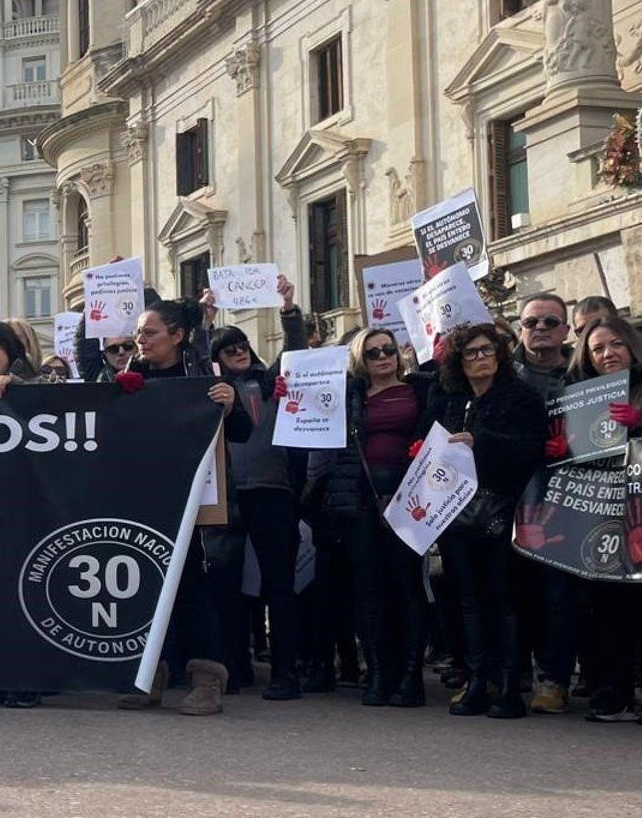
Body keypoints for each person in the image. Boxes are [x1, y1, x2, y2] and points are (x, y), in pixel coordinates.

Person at [122, 297, 247, 715]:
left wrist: (230, 403)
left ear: (177, 336)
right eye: (139, 332)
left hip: (194, 504)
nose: (140, 340)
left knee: (191, 585)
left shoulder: (206, 374)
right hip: (145, 498)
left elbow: (243, 431)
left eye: (149, 332)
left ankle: (207, 679)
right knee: (148, 585)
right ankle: (149, 675)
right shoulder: (128, 376)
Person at [565, 317, 642, 723]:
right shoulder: (580, 396)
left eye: (615, 344)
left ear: (633, 345)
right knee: (607, 607)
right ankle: (613, 690)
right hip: (601, 511)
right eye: (597, 348)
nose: (607, 354)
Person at [307, 325, 434, 706]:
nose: (383, 357)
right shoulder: (349, 395)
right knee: (369, 588)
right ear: (361, 358)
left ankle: (411, 677)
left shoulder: (420, 389)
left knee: (407, 586)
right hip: (360, 499)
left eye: (388, 349)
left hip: (411, 498)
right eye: (374, 352)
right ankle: (379, 672)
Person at [424, 322, 547, 718]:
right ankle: (478, 681)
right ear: (458, 362)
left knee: (505, 599)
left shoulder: (521, 397)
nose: (480, 359)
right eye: (471, 353)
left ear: (500, 355)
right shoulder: (452, 401)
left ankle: (509, 686)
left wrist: (481, 442)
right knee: (469, 601)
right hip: (456, 514)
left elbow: (531, 449)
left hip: (503, 512)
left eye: (486, 350)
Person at [206, 275, 308, 701]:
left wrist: (288, 309)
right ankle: (236, 668)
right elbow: (193, 356)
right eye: (227, 347)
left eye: (242, 344)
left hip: (271, 490)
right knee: (226, 587)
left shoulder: (273, 383)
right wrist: (205, 320)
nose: (238, 351)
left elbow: (297, 354)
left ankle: (286, 673)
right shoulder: (209, 391)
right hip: (227, 497)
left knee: (278, 585)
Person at [508, 294, 577, 713]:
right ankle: (514, 674)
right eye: (531, 321)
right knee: (515, 593)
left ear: (566, 330)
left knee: (559, 594)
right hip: (512, 497)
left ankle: (554, 680)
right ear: (520, 328)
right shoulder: (502, 374)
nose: (541, 328)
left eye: (551, 322)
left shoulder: (583, 373)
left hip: (568, 500)